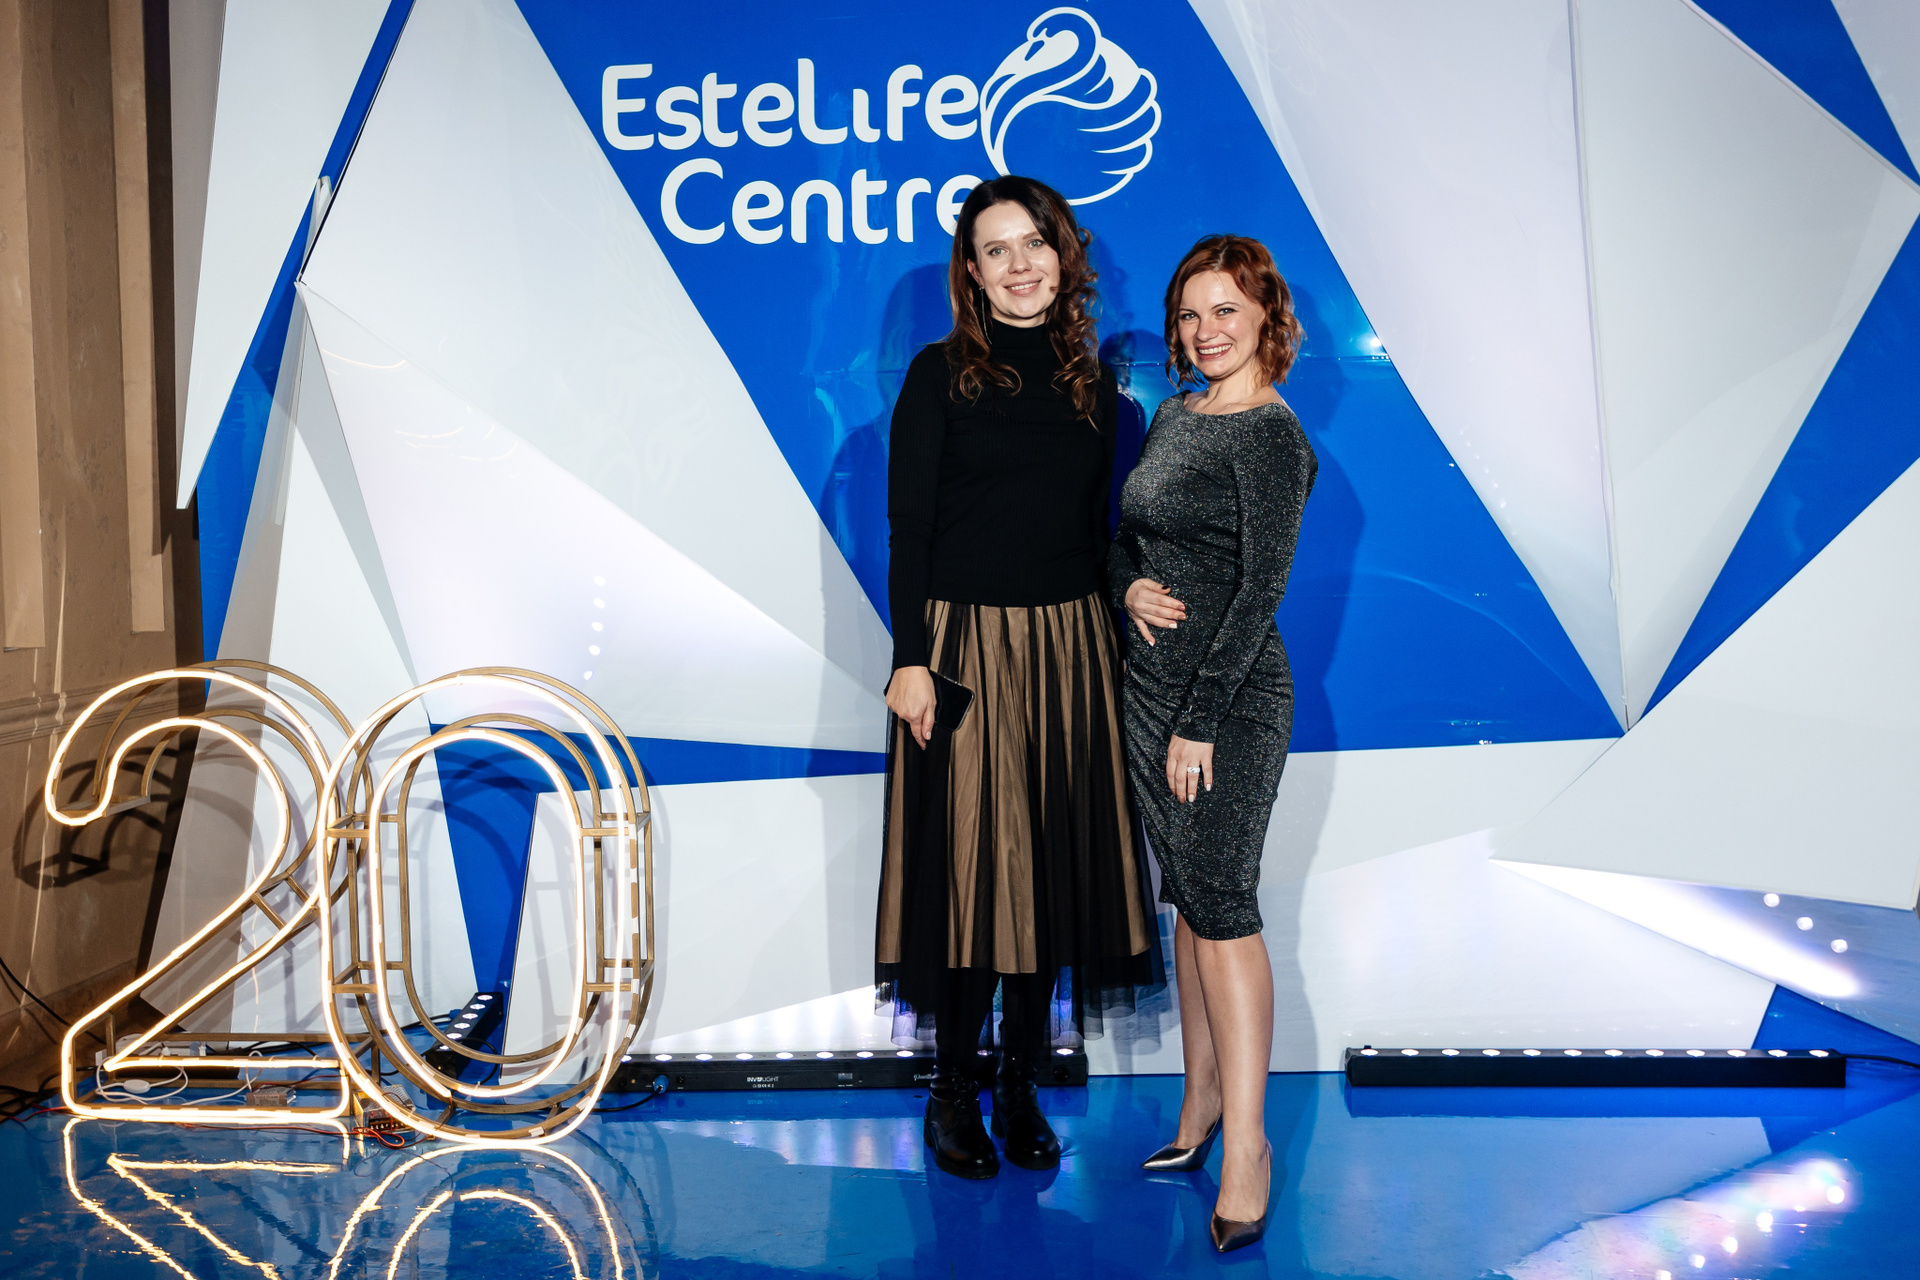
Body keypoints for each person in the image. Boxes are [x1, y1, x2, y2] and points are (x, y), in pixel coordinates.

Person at [876, 175, 1162, 1181]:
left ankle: (1018, 1082)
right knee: (969, 882)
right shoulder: (939, 375)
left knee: (1047, 874)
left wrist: (1126, 601)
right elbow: (909, 529)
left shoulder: (1098, 392)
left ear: (1062, 255)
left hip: (1073, 649)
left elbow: (1101, 536)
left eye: (1033, 243)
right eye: (996, 249)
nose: (1019, 264)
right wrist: (910, 659)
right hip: (962, 651)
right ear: (971, 271)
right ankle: (953, 1089)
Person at [1107, 234, 1317, 1251]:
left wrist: (1198, 721)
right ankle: (1198, 1107)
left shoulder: (1273, 437)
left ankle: (1249, 1148)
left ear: (1266, 315)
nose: (1205, 330)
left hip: (1225, 706)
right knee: (1191, 900)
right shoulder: (1173, 415)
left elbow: (1261, 590)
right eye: (1190, 314)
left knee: (1223, 907)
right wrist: (1126, 589)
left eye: (1226, 309)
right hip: (1149, 691)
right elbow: (1125, 540)